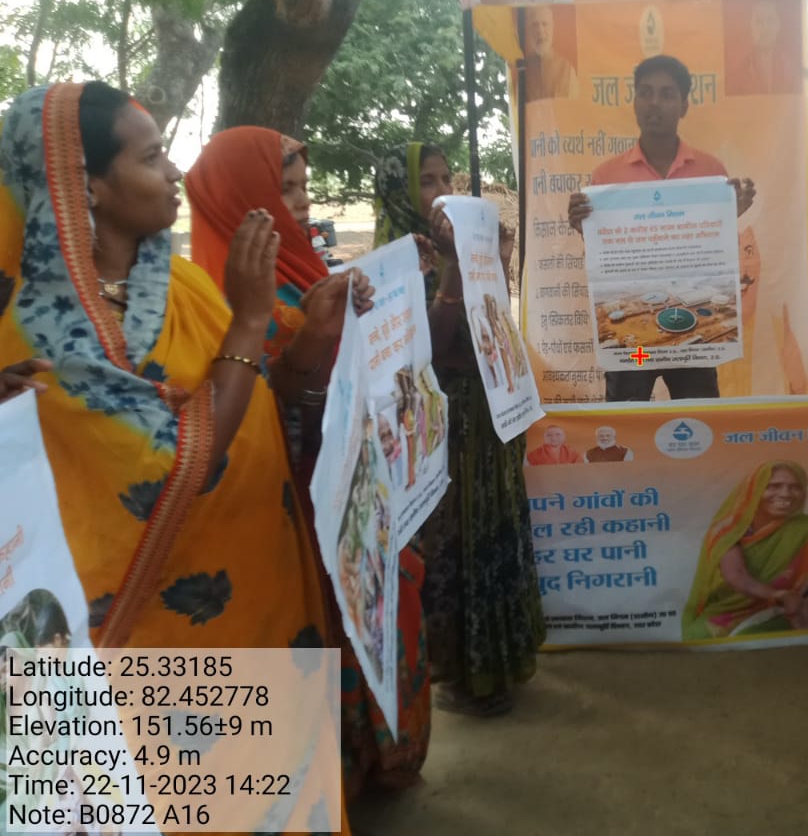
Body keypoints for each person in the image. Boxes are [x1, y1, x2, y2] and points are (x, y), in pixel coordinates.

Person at [0, 81, 348, 832]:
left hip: (256, 610)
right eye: (152, 156)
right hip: (145, 652)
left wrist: (306, 344)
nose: (173, 172)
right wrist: (250, 320)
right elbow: (177, 464)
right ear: (85, 186)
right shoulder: (36, 331)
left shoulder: (179, 283)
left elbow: (254, 397)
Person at [185, 126, 433, 800]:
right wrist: (314, 352)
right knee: (329, 628)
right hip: (294, 500)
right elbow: (246, 410)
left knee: (380, 612)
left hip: (357, 479)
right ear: (241, 197)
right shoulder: (210, 301)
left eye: (301, 187)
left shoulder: (303, 270)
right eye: (283, 188)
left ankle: (384, 758)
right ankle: (344, 773)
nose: (299, 203)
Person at [374, 141, 544, 718]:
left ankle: (503, 660)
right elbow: (426, 349)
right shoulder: (393, 263)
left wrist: (496, 264)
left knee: (494, 535)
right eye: (427, 180)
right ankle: (463, 677)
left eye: (446, 178)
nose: (441, 191)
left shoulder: (457, 245)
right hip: (444, 432)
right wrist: (453, 267)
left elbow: (489, 325)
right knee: (456, 548)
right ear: (398, 193)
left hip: (489, 421)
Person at [569, 54, 756, 401]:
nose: (654, 102)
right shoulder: (606, 177)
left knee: (697, 417)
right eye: (646, 92)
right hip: (637, 343)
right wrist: (583, 225)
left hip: (693, 339)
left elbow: (716, 251)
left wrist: (733, 212)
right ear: (635, 102)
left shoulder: (711, 172)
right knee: (628, 413)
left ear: (684, 106)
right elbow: (603, 255)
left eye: (667, 94)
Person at [682, 461, 808, 639]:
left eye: (795, 487)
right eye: (774, 486)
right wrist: (777, 594)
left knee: (752, 636)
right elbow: (736, 575)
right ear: (753, 490)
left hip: (791, 607)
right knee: (698, 635)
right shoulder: (728, 529)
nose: (786, 494)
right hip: (733, 606)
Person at [725, 0, 801, 97]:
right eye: (758, 21)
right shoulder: (738, 74)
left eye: (770, 20)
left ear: (778, 25)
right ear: (750, 27)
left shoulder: (791, 70)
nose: (765, 28)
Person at [524, 6, 579, 101]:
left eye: (544, 24)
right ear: (529, 30)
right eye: (535, 25)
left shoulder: (566, 69)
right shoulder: (523, 69)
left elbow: (574, 106)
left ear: (552, 28)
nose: (540, 30)